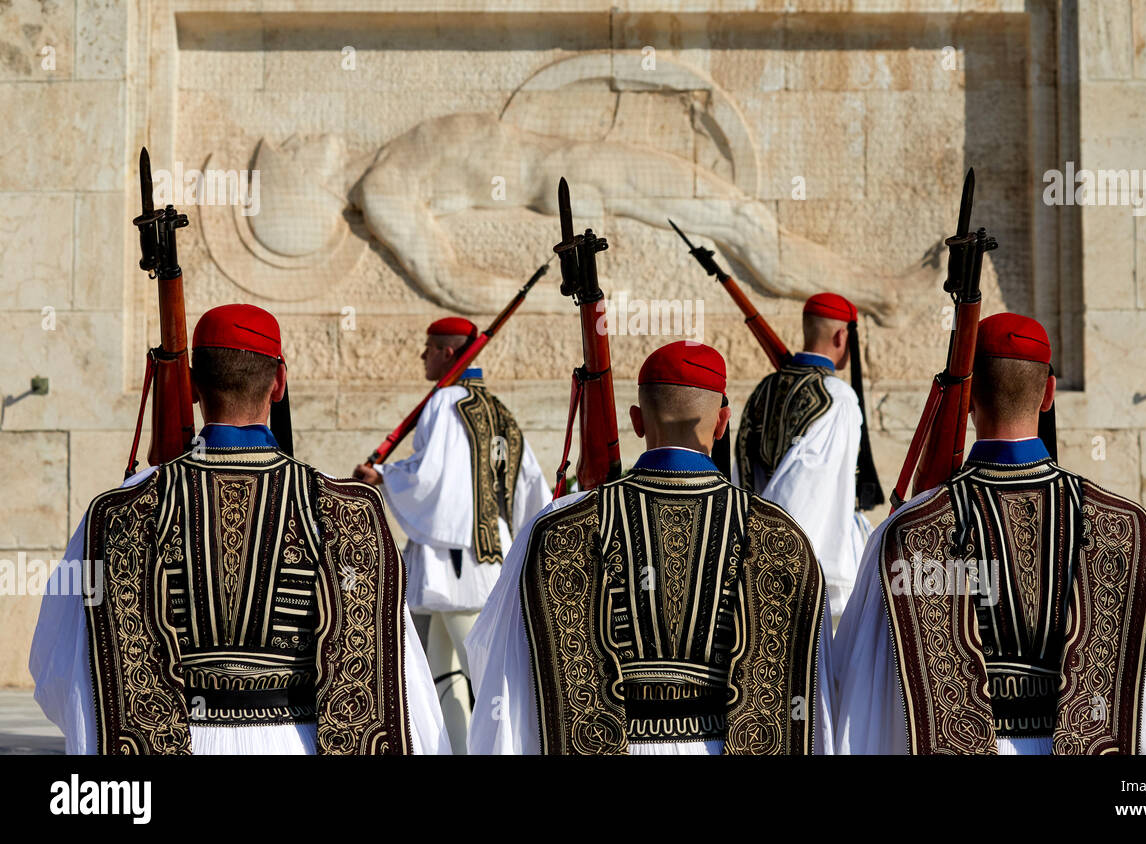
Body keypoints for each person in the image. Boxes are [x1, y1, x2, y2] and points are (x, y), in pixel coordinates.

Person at [30, 304, 448, 754]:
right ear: (279, 384)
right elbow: (401, 681)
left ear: (191, 386)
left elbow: (56, 670)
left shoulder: (120, 511)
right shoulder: (347, 510)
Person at [832, 313, 1146, 754]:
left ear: (967, 396)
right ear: (1048, 394)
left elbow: (856, 694)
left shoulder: (907, 533)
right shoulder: (1123, 528)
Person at [466, 340, 833, 754]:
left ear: (637, 421)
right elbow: (813, 687)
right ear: (722, 422)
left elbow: (493, 658)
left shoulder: (561, 525)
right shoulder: (778, 533)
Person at [352, 316, 548, 753]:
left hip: (460, 561)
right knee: (444, 667)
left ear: (448, 352)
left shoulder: (445, 403)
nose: (423, 355)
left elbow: (431, 478)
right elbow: (530, 485)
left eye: (429, 347)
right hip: (488, 554)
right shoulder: (499, 410)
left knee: (483, 670)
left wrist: (381, 475)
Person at [736, 292, 870, 617]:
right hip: (801, 571)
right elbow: (808, 493)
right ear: (842, 336)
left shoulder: (762, 390)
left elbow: (745, 475)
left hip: (753, 552)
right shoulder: (836, 398)